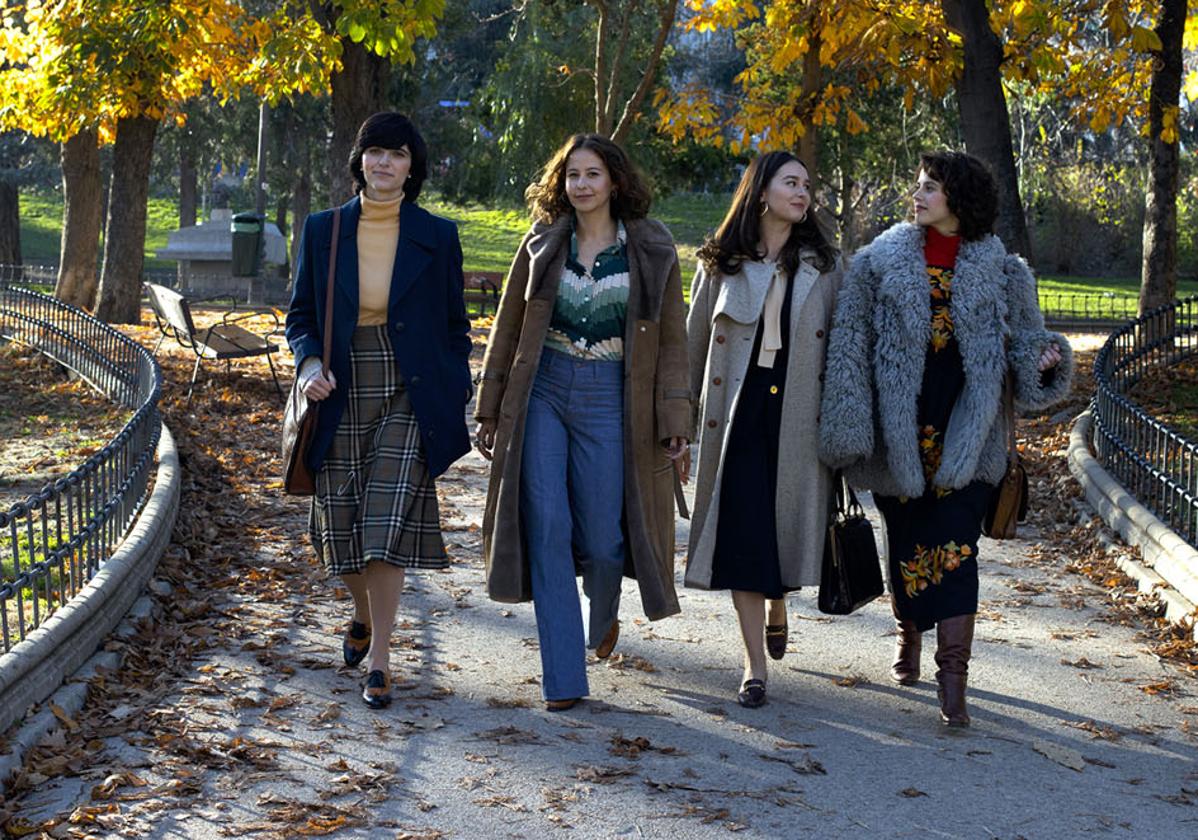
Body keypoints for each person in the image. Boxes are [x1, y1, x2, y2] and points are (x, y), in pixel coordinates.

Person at [819, 150, 1072, 726]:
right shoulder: (876, 263)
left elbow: (1027, 344)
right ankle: (910, 631)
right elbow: (849, 349)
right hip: (899, 430)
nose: (918, 195)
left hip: (969, 432)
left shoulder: (1006, 271)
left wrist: (1045, 357)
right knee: (908, 543)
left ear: (958, 198)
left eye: (929, 187)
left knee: (957, 549)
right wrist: (847, 429)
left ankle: (952, 678)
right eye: (918, 185)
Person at [473, 133, 690, 712]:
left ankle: (605, 613)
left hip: (613, 398)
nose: (581, 185)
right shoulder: (543, 244)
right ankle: (563, 677)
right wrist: (490, 406)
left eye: (592, 174)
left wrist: (675, 419)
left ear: (614, 181)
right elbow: (508, 327)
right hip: (544, 390)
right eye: (572, 175)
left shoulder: (652, 248)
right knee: (546, 524)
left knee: (604, 539)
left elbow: (673, 342)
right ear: (560, 183)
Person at [285, 112, 472, 710]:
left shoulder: (437, 235)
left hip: (407, 388)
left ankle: (383, 662)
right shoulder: (323, 230)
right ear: (359, 161)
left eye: (395, 153)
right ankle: (362, 613)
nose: (383, 162)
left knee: (384, 523)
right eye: (373, 152)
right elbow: (300, 317)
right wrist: (310, 365)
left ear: (411, 166)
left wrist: (454, 384)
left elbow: (453, 326)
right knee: (338, 524)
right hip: (340, 385)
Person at [685, 151, 843, 708]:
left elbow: (844, 353)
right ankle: (754, 666)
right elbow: (692, 346)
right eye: (791, 182)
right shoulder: (720, 262)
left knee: (784, 526)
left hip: (798, 412)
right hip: (738, 412)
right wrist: (679, 424)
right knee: (743, 533)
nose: (802, 193)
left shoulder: (825, 266)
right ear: (761, 192)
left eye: (807, 184)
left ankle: (779, 600)